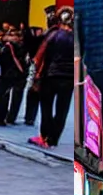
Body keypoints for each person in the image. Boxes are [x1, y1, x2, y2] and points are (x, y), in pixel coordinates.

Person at [28, 8, 75, 150]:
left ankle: (44, 137)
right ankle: (53, 140)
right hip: (69, 78)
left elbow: (39, 57)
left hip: (50, 76)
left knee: (46, 108)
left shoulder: (53, 35)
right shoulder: (76, 38)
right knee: (62, 110)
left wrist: (36, 75)